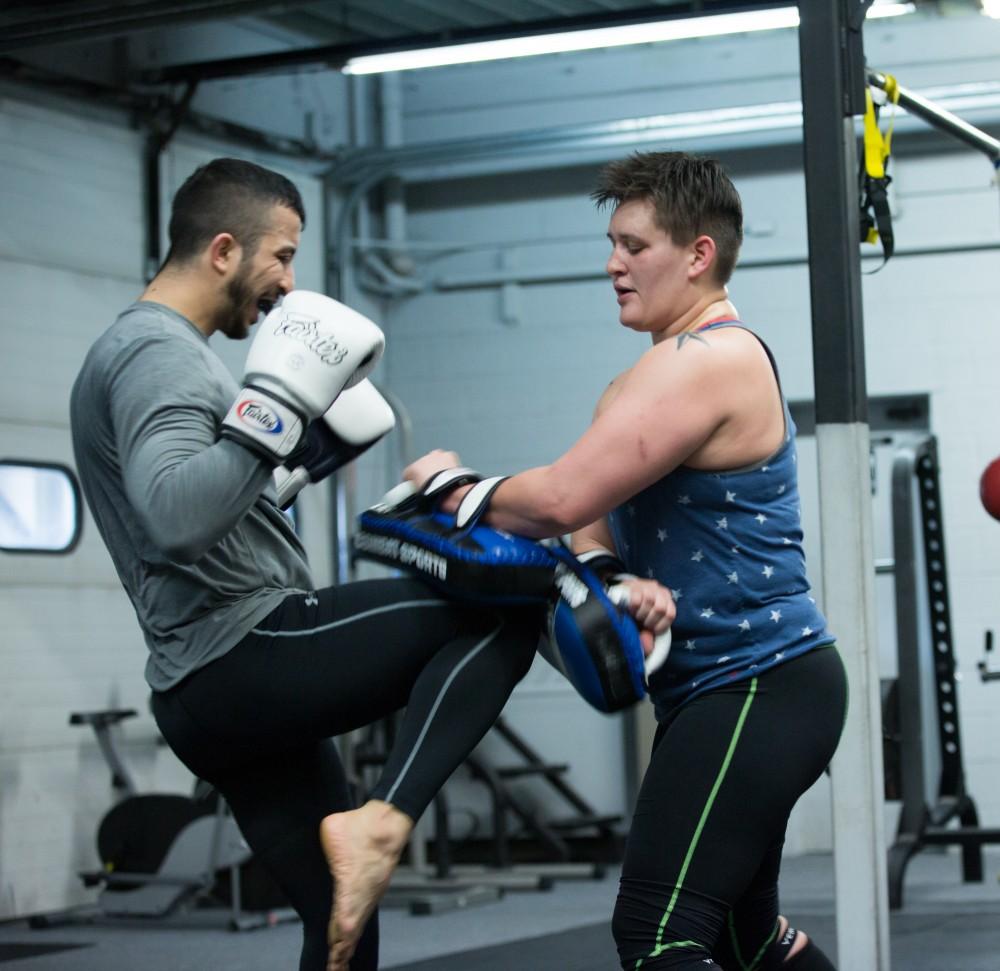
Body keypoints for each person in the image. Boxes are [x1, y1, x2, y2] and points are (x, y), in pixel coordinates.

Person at [69, 157, 577, 971]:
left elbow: (205, 500)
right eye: (281, 256)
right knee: (504, 607)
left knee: (342, 929)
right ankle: (386, 820)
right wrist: (276, 411)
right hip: (245, 648)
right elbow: (172, 517)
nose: (288, 283)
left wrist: (294, 461)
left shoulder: (160, 353)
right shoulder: (155, 352)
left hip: (204, 690)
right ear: (225, 250)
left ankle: (366, 845)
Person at [404, 151, 846, 970]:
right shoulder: (642, 378)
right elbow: (591, 522)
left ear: (698, 255)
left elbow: (559, 498)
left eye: (634, 245)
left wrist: (452, 487)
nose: (613, 264)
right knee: (749, 940)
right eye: (612, 243)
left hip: (759, 685)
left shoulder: (713, 360)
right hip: (723, 690)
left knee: (656, 935)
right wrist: (614, 576)